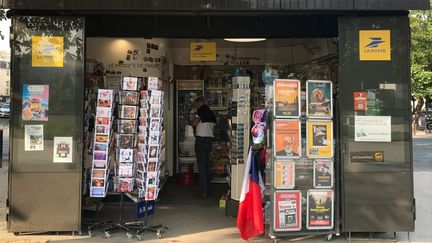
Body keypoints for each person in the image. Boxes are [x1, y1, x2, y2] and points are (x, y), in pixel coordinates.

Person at [189, 97, 216, 199]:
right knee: (206, 166)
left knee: (201, 167)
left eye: (196, 105)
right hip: (209, 141)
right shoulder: (211, 113)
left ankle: (203, 191)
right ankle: (208, 189)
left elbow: (194, 123)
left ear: (200, 103)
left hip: (201, 141)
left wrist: (191, 122)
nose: (195, 107)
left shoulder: (200, 111)